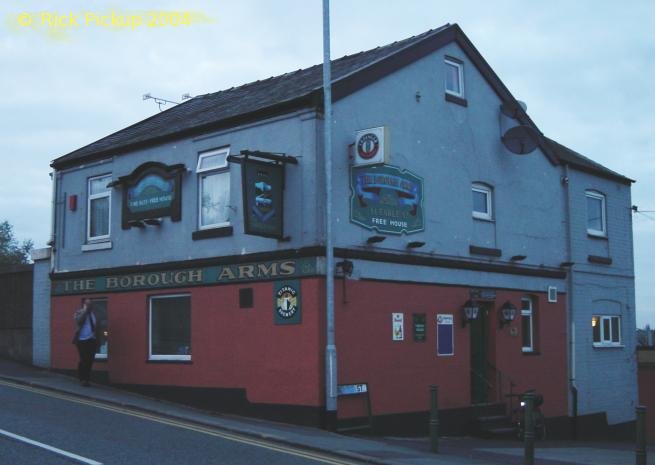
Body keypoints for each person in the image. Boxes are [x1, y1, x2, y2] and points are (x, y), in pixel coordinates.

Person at [73, 298, 97, 387]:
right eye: (87, 304)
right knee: (84, 359)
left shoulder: (93, 314)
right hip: (82, 340)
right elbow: (79, 321)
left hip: (92, 339)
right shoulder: (79, 313)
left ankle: (86, 378)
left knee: (90, 360)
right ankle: (83, 379)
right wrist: (85, 311)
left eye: (90, 304)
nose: (90, 306)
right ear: (83, 304)